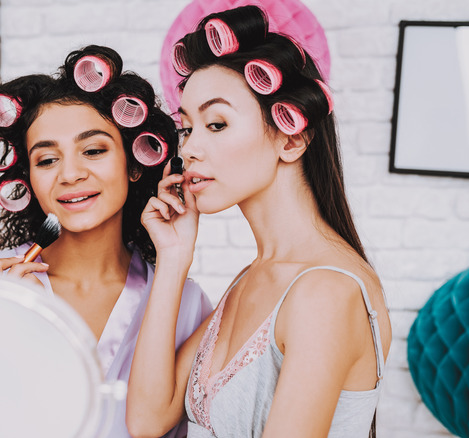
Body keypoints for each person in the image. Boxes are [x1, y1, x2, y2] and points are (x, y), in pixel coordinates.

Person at [126, 6, 392, 438]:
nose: (190, 148)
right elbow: (147, 419)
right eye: (186, 127)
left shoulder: (324, 292)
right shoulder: (253, 279)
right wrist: (173, 260)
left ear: (291, 137)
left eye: (216, 123)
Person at [0, 45, 212, 437]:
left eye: (93, 150)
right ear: (28, 179)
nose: (70, 174)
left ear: (134, 164)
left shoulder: (187, 304)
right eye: (46, 160)